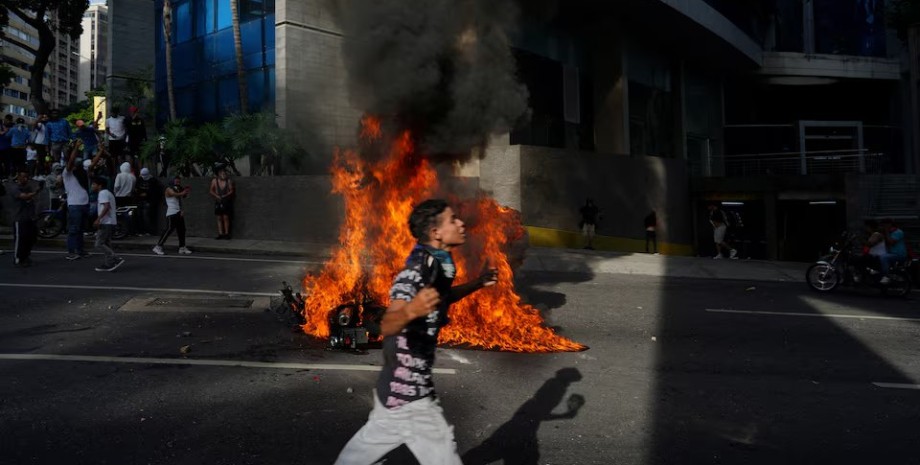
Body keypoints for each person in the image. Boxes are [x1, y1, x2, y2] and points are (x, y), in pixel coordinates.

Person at [334, 199, 498, 465]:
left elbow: (443, 297)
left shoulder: (441, 264)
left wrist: (478, 283)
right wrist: (412, 310)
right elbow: (388, 324)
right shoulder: (416, 271)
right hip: (409, 398)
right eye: (453, 219)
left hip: (400, 391)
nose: (461, 223)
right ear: (436, 233)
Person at [62, 142, 91, 260]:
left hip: (84, 204)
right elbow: (70, 162)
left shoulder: (80, 174)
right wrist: (75, 148)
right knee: (74, 229)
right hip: (74, 205)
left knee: (80, 230)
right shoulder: (67, 173)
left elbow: (92, 165)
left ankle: (80, 250)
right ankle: (71, 252)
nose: (75, 165)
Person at [90, 176, 124, 272]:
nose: (92, 186)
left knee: (99, 243)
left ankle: (115, 259)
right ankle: (109, 263)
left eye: (93, 184)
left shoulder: (103, 193)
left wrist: (98, 219)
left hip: (106, 222)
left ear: (100, 186)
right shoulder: (108, 193)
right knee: (106, 244)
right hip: (110, 221)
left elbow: (106, 206)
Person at [153, 175, 192, 256]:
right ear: (172, 181)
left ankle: (182, 247)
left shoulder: (178, 188)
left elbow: (182, 198)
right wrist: (183, 192)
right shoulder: (168, 189)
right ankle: (158, 247)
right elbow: (174, 194)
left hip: (178, 212)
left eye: (179, 180)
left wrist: (186, 192)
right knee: (168, 230)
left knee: (182, 230)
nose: (178, 182)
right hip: (171, 213)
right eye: (176, 180)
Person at [10, 169, 41, 267]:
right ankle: (18, 258)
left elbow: (31, 200)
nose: (26, 179)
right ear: (18, 177)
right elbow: (24, 197)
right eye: (24, 177)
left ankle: (25, 256)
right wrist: (36, 192)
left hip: (29, 218)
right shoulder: (15, 188)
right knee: (20, 240)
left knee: (30, 239)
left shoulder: (28, 187)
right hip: (19, 218)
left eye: (27, 177)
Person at [878, 218, 907, 284]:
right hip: (891, 254)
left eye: (884, 225)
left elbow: (891, 242)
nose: (883, 227)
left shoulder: (898, 232)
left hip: (899, 255)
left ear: (889, 224)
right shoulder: (888, 232)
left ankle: (886, 276)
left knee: (884, 257)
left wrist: (886, 232)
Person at [209, 167, 235, 239]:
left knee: (225, 217)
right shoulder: (214, 181)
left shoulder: (228, 181)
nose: (223, 174)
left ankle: (226, 234)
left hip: (226, 201)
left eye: (224, 173)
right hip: (218, 201)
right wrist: (217, 196)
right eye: (222, 173)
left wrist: (225, 195)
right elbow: (211, 190)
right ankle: (220, 234)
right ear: (218, 174)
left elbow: (231, 190)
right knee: (219, 218)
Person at [135, 167, 161, 236]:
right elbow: (136, 188)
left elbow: (155, 191)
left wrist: (147, 194)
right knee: (139, 216)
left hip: (149, 201)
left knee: (147, 216)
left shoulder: (153, 180)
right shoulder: (139, 179)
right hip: (140, 200)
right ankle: (141, 230)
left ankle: (149, 231)